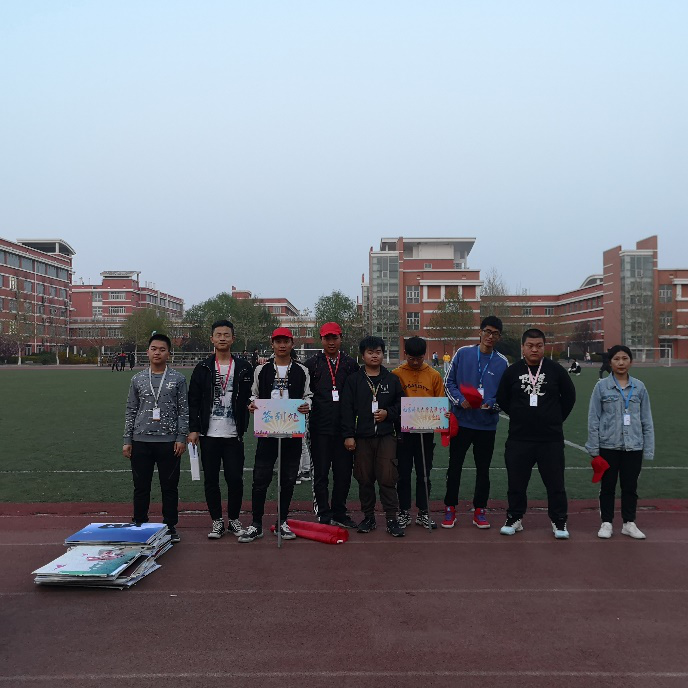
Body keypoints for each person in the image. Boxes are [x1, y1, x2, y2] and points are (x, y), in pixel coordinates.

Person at [496, 328, 576, 539]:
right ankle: (514, 518)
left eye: (539, 346)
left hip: (550, 439)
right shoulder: (512, 371)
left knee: (556, 484)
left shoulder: (556, 370)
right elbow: (502, 398)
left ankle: (559, 520)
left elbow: (569, 397)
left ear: (544, 347)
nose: (534, 349)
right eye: (530, 346)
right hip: (519, 438)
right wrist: (518, 415)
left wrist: (555, 419)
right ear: (522, 347)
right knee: (516, 483)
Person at [238, 328, 312, 543]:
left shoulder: (301, 370)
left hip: (292, 430)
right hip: (268, 429)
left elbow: (308, 395)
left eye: (286, 341)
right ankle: (256, 524)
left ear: (292, 344)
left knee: (288, 478)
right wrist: (252, 404)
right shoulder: (261, 370)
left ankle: (282, 521)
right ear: (272, 344)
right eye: (278, 341)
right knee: (260, 478)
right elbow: (253, 394)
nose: (282, 345)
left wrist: (307, 405)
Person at [187, 319, 254, 539]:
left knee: (235, 479)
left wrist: (252, 405)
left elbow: (252, 395)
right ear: (212, 339)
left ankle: (233, 519)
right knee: (211, 480)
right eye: (219, 335)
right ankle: (216, 521)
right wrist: (194, 429)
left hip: (234, 434)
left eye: (226, 335)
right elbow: (193, 401)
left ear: (233, 339)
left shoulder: (244, 367)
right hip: (209, 434)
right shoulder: (203, 367)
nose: (222, 338)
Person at [443, 316, 509, 529]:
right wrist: (458, 400)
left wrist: (494, 404)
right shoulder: (463, 353)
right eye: (487, 331)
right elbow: (448, 382)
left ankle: (480, 510)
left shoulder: (502, 362)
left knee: (483, 469)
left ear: (499, 337)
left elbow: (505, 394)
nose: (490, 336)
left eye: (495, 333)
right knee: (454, 467)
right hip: (461, 422)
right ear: (480, 332)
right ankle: (450, 508)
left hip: (486, 425)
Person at [122, 334, 188, 543]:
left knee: (169, 487)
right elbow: (131, 409)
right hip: (141, 441)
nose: (157, 352)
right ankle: (140, 523)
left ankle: (170, 526)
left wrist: (181, 437)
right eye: (153, 349)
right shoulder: (138, 379)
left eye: (162, 349)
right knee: (141, 486)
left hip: (169, 442)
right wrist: (127, 439)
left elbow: (183, 410)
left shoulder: (178, 379)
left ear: (169, 353)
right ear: (147, 352)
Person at [585, 345, 654, 539]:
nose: (621, 363)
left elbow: (646, 419)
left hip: (634, 446)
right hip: (608, 445)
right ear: (610, 362)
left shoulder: (639, 387)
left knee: (630, 487)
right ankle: (606, 523)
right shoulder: (601, 387)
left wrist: (648, 448)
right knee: (607, 486)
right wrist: (594, 448)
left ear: (631, 362)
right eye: (616, 359)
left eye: (625, 358)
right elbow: (593, 418)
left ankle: (629, 523)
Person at [341, 335, 405, 537]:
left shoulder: (392, 379)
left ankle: (392, 519)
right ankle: (368, 517)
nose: (374, 356)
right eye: (370, 352)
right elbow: (346, 410)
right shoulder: (354, 380)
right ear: (363, 355)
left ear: (382, 354)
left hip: (386, 436)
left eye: (378, 352)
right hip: (362, 438)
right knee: (364, 479)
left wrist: (388, 414)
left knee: (388, 478)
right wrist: (349, 435)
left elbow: (401, 405)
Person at [304, 322, 359, 527]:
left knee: (343, 474)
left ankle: (339, 512)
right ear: (321, 340)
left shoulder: (350, 364)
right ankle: (323, 512)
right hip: (319, 428)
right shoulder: (311, 364)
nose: (331, 342)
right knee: (321, 473)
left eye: (334, 338)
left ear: (340, 338)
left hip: (345, 429)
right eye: (327, 338)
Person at [392, 336, 445, 530]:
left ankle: (423, 512)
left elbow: (440, 402)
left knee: (424, 473)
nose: (415, 362)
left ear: (425, 355)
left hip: (425, 431)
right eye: (411, 358)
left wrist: (441, 415)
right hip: (403, 432)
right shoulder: (396, 374)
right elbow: (392, 402)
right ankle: (404, 511)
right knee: (403, 474)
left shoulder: (433, 375)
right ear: (405, 354)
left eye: (419, 358)